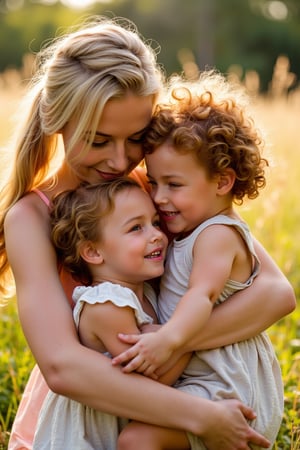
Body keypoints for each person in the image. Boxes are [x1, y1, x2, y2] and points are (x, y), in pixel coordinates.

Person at [0, 16, 294, 450]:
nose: (119, 161)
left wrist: (171, 341)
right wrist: (201, 413)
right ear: (56, 122)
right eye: (98, 140)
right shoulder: (31, 217)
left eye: (135, 138)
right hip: (95, 413)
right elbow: (63, 367)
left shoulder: (154, 187)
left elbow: (273, 292)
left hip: (169, 406)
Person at [112, 71, 285, 450]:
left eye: (173, 185)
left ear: (222, 182)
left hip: (228, 385)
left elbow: (201, 296)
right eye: (153, 182)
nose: (158, 197)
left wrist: (168, 340)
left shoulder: (217, 235)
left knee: (136, 440)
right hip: (203, 377)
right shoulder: (189, 226)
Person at [33, 177, 186, 448]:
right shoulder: (106, 304)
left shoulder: (146, 292)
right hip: (87, 440)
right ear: (92, 251)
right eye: (136, 228)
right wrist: (188, 338)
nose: (157, 235)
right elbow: (152, 381)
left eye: (155, 222)